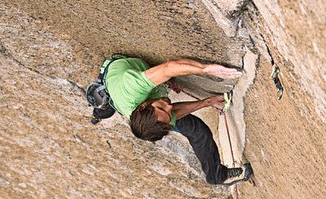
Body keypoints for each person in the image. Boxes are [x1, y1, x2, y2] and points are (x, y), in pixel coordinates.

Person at [103, 56, 252, 185]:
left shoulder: (132, 89)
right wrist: (208, 102)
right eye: (168, 114)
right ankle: (218, 176)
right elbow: (171, 112)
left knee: (192, 127)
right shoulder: (155, 117)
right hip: (128, 99)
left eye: (162, 109)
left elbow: (168, 68)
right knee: (198, 130)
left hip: (117, 73)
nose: (169, 106)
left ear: (143, 106)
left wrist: (205, 69)